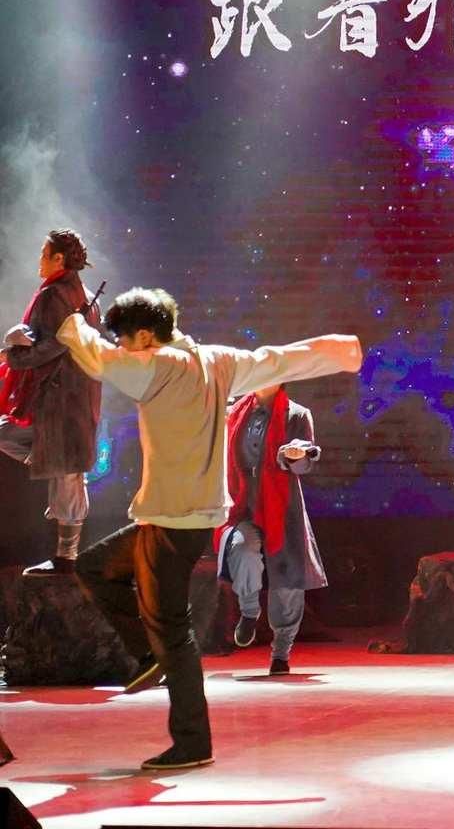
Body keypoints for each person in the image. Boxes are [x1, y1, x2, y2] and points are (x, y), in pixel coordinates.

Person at [56, 287, 362, 771]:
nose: (123, 349)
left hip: (173, 519)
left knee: (173, 632)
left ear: (144, 336)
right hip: (184, 516)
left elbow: (96, 358)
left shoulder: (156, 365)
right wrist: (341, 351)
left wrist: (72, 322)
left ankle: (192, 742)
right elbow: (278, 359)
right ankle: (148, 655)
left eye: (126, 340)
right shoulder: (217, 360)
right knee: (95, 567)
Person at [0, 229, 102, 575]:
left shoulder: (55, 295)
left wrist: (14, 355)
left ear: (59, 259)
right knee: (64, 469)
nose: (39, 261)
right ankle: (65, 557)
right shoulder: (83, 296)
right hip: (74, 398)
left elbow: (54, 347)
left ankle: (66, 559)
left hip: (61, 401)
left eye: (44, 254)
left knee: (67, 474)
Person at [217, 386, 325, 674]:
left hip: (281, 506)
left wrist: (293, 455)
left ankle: (281, 652)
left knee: (287, 578)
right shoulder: (236, 412)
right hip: (243, 504)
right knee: (241, 549)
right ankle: (249, 611)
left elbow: (304, 466)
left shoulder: (297, 414)